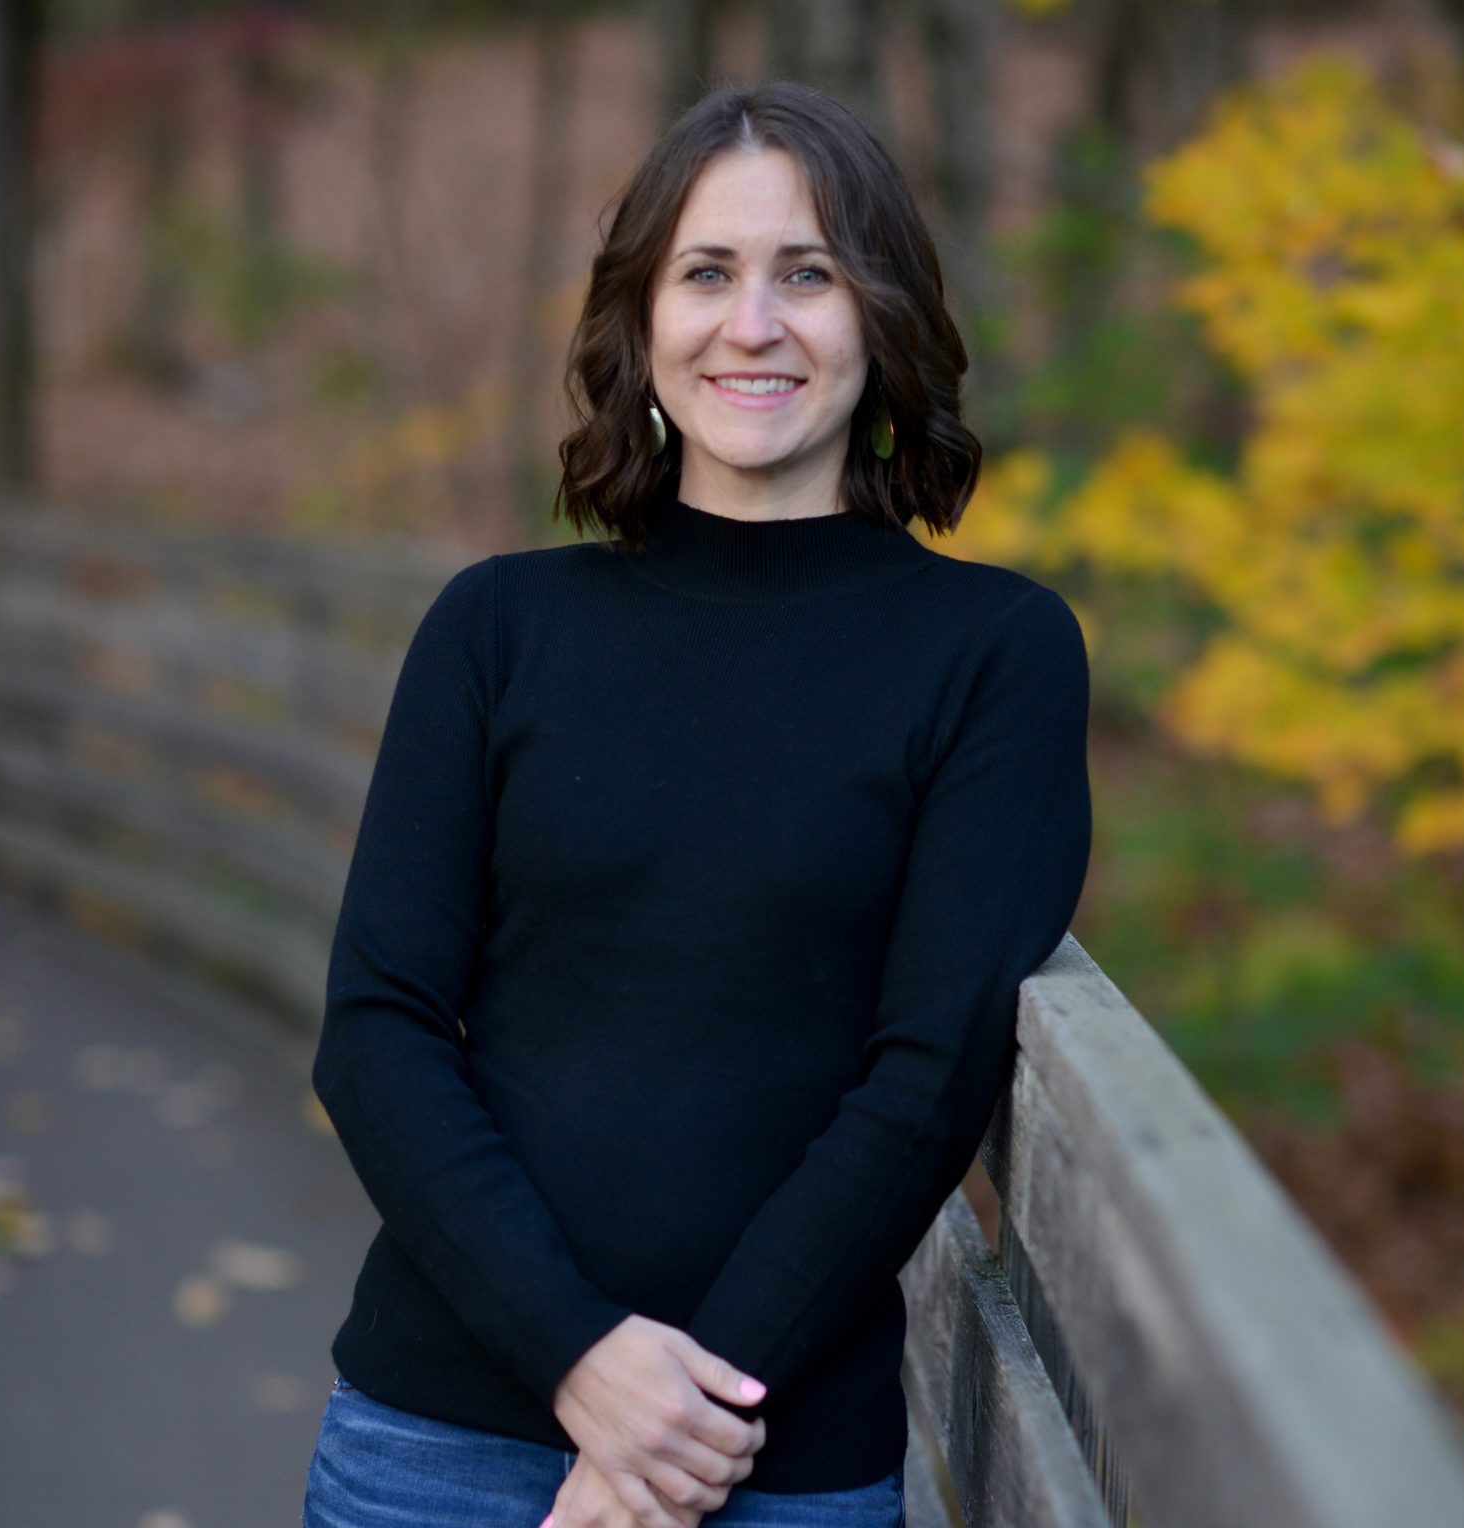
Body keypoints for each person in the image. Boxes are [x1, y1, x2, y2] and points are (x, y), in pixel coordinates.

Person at [301, 78, 1091, 1528]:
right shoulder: (496, 628)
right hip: (435, 1441)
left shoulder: (994, 654)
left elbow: (927, 1082)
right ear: (641, 322)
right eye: (707, 274)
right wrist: (585, 1367)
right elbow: (378, 1031)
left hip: (771, 1461)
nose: (754, 325)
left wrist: (679, 1419)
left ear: (885, 318)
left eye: (810, 275)